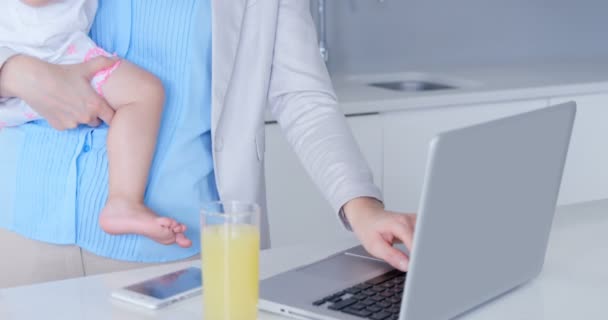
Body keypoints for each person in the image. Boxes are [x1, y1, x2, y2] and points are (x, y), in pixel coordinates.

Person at [0, 0, 417, 288]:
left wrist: (362, 206)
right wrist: (14, 73)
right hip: (18, 229)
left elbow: (301, 95)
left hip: (177, 250)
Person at [0, 0, 191, 247]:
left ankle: (124, 204)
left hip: (56, 53)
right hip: (46, 54)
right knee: (144, 92)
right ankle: (124, 202)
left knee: (144, 92)